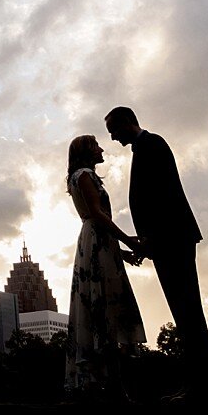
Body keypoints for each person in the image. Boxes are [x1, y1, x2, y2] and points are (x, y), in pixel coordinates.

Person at [105, 105, 208, 397]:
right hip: (165, 240)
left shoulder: (152, 144)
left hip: (172, 239)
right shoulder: (145, 148)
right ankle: (199, 385)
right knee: (183, 311)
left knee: (188, 309)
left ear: (128, 122)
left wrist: (150, 239)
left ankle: (201, 387)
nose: (113, 138)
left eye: (114, 130)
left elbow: (163, 197)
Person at [64, 132, 146, 399]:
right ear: (87, 152)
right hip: (97, 241)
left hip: (94, 244)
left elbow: (96, 227)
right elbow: (99, 216)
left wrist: (119, 251)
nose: (102, 149)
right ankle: (114, 388)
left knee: (101, 311)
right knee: (107, 312)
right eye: (96, 145)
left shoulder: (77, 177)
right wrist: (129, 242)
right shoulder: (85, 175)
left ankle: (105, 385)